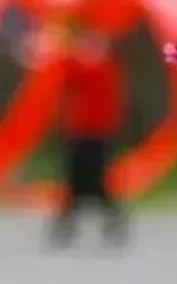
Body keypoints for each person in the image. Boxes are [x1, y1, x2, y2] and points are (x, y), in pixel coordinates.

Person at [50, 29, 127, 248]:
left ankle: (110, 224)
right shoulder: (88, 65)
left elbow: (75, 68)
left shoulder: (102, 66)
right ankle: (65, 227)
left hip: (96, 132)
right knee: (74, 181)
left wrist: (59, 47)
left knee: (97, 182)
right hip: (79, 131)